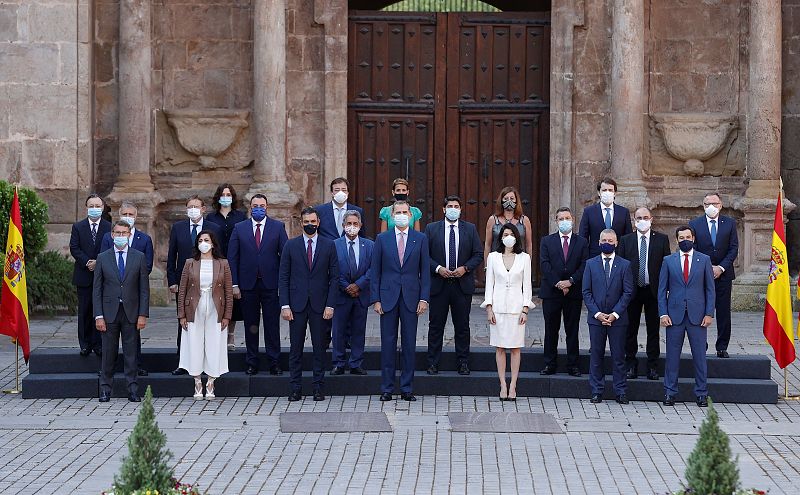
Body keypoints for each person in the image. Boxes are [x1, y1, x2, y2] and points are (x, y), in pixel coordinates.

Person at [371, 200, 430, 401]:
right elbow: (375, 271)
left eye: (405, 212)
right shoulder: (382, 238)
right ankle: (387, 388)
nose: (402, 215)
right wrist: (376, 299)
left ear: (411, 215)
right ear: (392, 215)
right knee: (387, 344)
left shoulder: (420, 239)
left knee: (408, 344)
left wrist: (424, 298)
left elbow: (425, 272)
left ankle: (406, 388)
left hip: (411, 298)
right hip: (387, 297)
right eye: (398, 212)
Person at [279, 207, 339, 401]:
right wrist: (285, 305)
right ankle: (295, 388)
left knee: (319, 349)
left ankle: (318, 387)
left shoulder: (329, 246)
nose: (310, 225)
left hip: (320, 306)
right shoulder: (290, 245)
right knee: (295, 349)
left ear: (319, 222)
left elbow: (334, 278)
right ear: (301, 223)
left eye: (313, 221)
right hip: (296, 306)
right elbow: (284, 277)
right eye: (306, 222)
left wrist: (330, 305)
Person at [228, 194, 288, 376]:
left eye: (262, 205)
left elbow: (284, 256)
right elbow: (233, 257)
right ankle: (252, 362)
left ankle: (274, 361)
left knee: (272, 325)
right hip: (248, 285)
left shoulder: (278, 227)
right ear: (250, 207)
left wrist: (282, 284)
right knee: (251, 325)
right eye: (255, 205)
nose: (258, 208)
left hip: (271, 285)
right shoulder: (239, 228)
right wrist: (235, 284)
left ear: (267, 207)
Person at [424, 195, 483, 375]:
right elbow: (424, 255)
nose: (453, 209)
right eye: (450, 206)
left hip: (461, 285)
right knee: (435, 326)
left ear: (460, 209)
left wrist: (465, 268)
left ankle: (463, 362)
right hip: (439, 284)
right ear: (443, 209)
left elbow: (478, 254)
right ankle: (433, 362)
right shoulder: (431, 229)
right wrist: (438, 268)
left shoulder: (470, 229)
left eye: (456, 206)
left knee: (462, 326)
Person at [658, 226, 715, 408]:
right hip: (674, 316)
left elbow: (709, 289)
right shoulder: (668, 260)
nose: (685, 240)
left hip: (698, 316)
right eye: (681, 237)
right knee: (672, 357)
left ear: (693, 238)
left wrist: (709, 313)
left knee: (699, 357)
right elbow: (661, 290)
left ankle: (701, 393)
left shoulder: (704, 260)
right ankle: (670, 392)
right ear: (677, 240)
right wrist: (663, 313)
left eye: (688, 237)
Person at [166, 195, 223, 375]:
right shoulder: (178, 228)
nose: (193, 209)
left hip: (208, 281)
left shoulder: (214, 228)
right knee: (184, 322)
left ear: (203, 209)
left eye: (196, 206)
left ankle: (207, 364)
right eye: (189, 206)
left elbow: (220, 255)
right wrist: (172, 280)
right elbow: (171, 255)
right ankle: (183, 363)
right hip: (184, 283)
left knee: (207, 324)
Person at [93, 221, 149, 403]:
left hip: (131, 312)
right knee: (108, 353)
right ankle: (105, 389)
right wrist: (98, 315)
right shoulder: (102, 257)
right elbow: (97, 289)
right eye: (117, 233)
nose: (120, 236)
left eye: (124, 233)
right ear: (112, 235)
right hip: (109, 313)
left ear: (129, 235)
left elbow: (143, 289)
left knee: (131, 353)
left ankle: (132, 389)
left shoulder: (139, 257)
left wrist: (142, 314)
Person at [100, 201, 154, 377]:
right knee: (110, 338)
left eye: (131, 215)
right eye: (125, 214)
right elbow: (103, 263)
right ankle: (109, 368)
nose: (128, 217)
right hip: (112, 295)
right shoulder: (109, 238)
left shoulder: (144, 239)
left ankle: (135, 366)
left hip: (133, 293)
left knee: (133, 336)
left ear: (136, 217)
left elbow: (147, 265)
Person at [617, 206, 671, 380]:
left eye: (645, 217)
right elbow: (621, 267)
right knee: (630, 330)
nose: (642, 220)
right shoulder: (626, 240)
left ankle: (652, 366)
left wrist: (666, 290)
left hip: (653, 291)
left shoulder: (661, 240)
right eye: (638, 217)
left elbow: (666, 266)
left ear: (651, 219)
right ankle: (630, 364)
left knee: (653, 330)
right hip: (632, 291)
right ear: (634, 220)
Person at [177, 231, 233, 400]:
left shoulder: (223, 263)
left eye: (206, 240)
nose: (203, 243)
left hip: (216, 308)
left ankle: (210, 381)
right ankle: (197, 381)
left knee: (214, 343)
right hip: (194, 307)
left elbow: (228, 291)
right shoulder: (190, 263)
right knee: (194, 343)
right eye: (200, 240)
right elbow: (182, 290)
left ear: (213, 244)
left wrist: (227, 316)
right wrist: (182, 315)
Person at [582, 229, 634, 404]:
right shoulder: (590, 264)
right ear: (598, 242)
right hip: (596, 319)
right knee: (596, 355)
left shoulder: (625, 265)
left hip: (617, 319)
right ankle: (597, 390)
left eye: (610, 241)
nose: (607, 243)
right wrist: (597, 313)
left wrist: (614, 314)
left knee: (619, 356)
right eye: (604, 240)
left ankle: (620, 391)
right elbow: (586, 291)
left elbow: (628, 292)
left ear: (616, 243)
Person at [481, 224, 532, 401]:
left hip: (517, 309)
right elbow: (490, 284)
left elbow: (527, 285)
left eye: (511, 234)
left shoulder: (524, 258)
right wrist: (489, 308)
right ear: (500, 237)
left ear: (517, 237)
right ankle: (502, 384)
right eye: (505, 234)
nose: (508, 237)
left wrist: (525, 309)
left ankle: (513, 385)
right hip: (498, 307)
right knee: (500, 347)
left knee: (516, 348)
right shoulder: (493, 258)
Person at [314, 177, 365, 349]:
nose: (340, 192)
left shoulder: (357, 211)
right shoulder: (320, 210)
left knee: (349, 300)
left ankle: (348, 338)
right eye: (336, 189)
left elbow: (361, 235)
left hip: (349, 262)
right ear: (331, 192)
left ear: (348, 192)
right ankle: (327, 336)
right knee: (328, 298)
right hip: (326, 260)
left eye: (343, 189)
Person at [539, 207, 589, 377]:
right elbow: (544, 264)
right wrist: (559, 283)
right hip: (552, 292)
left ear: (573, 220)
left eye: (567, 218)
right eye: (561, 219)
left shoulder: (582, 242)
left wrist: (571, 281)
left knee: (572, 330)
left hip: (573, 293)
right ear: (556, 221)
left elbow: (584, 265)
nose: (564, 221)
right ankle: (549, 364)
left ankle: (573, 365)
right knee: (551, 330)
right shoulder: (547, 241)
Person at [688, 192, 738, 358]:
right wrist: (707, 268)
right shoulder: (695, 224)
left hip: (724, 275)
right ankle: (701, 344)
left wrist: (721, 268)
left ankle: (722, 346)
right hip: (702, 275)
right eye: (707, 203)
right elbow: (692, 248)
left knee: (723, 312)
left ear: (721, 205)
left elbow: (733, 249)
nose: (711, 206)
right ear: (703, 206)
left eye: (714, 203)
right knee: (701, 310)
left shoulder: (729, 223)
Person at [206, 183, 247, 351]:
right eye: (223, 194)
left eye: (228, 194)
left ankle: (230, 334)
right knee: (217, 298)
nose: (226, 197)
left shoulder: (240, 216)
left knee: (233, 300)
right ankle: (217, 333)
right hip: (216, 260)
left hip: (235, 261)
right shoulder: (211, 218)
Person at [331, 210, 373, 375]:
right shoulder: (334, 245)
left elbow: (373, 268)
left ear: (360, 226)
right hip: (341, 295)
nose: (352, 227)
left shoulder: (369, 245)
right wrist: (346, 286)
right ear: (343, 226)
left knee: (358, 330)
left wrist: (359, 285)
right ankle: (338, 363)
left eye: (355, 224)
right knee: (339, 330)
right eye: (349, 224)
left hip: (361, 294)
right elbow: (332, 269)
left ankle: (356, 363)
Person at [70, 194, 111, 357]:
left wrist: (98, 262)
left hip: (103, 275)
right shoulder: (78, 227)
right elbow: (74, 248)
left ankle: (98, 344)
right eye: (91, 206)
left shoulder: (109, 227)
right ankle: (85, 344)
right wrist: (87, 262)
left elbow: (110, 247)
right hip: (84, 274)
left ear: (102, 208)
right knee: (85, 311)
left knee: (100, 311)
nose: (94, 209)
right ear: (86, 207)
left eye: (97, 206)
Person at [579, 177, 633, 258]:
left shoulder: (623, 212)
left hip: (618, 258)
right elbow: (583, 237)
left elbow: (628, 237)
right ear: (599, 193)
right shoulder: (589, 212)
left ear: (615, 193)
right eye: (604, 190)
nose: (607, 192)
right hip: (595, 258)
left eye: (610, 190)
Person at [483, 186, 533, 264]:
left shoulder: (524, 220)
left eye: (512, 198)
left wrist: (528, 264)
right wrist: (486, 266)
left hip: (518, 262)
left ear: (516, 201)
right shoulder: (492, 220)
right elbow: (488, 245)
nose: (509, 201)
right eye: (506, 199)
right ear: (501, 201)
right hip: (497, 262)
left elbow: (528, 245)